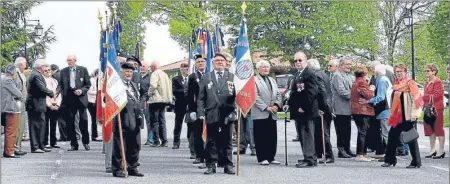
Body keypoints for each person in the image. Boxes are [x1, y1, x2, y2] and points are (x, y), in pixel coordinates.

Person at [197, 53, 236, 174]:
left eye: (222, 60)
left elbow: (237, 96)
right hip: (211, 113)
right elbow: (201, 97)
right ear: (213, 63)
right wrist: (200, 112)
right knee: (211, 140)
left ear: (225, 63)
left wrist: (234, 111)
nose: (219, 62)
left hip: (227, 113)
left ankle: (228, 164)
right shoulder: (207, 77)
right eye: (217, 60)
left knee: (227, 140)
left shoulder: (232, 77)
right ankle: (211, 165)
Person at [382, 63, 422, 168]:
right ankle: (389, 160)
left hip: (408, 115)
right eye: (396, 72)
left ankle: (416, 162)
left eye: (400, 72)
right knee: (392, 136)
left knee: (411, 139)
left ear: (405, 72)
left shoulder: (410, 83)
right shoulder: (396, 84)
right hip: (398, 116)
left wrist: (414, 114)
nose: (398, 74)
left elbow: (417, 99)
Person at [284, 51, 319, 168]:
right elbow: (294, 92)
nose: (298, 63)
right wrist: (289, 104)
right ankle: (308, 156)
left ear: (305, 60)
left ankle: (310, 159)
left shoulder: (309, 74)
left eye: (300, 60)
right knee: (303, 135)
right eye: (296, 61)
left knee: (307, 135)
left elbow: (312, 93)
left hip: (306, 111)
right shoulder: (298, 74)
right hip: (298, 110)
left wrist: (303, 107)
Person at [111, 63, 144, 177]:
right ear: (122, 72)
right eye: (127, 71)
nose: (129, 74)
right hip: (122, 117)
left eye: (131, 72)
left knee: (134, 144)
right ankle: (117, 169)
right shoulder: (117, 85)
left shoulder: (134, 85)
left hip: (134, 118)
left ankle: (132, 167)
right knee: (120, 145)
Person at [56, 55, 91, 151]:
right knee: (70, 122)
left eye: (70, 60)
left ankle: (86, 142)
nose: (69, 62)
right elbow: (60, 85)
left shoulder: (83, 70)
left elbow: (88, 84)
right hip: (69, 98)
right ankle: (74, 144)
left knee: (83, 121)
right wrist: (56, 92)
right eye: (67, 60)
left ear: (75, 60)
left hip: (80, 98)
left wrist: (81, 90)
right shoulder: (63, 71)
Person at [251, 60, 282, 165]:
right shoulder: (254, 80)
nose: (266, 69)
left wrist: (276, 105)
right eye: (263, 67)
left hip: (272, 113)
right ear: (258, 68)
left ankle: (271, 157)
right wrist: (266, 107)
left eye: (267, 67)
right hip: (260, 112)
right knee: (261, 136)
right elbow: (254, 96)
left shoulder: (272, 80)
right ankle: (262, 157)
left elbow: (278, 94)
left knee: (272, 136)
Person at [308, 59, 335, 164]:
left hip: (322, 108)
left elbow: (322, 92)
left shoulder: (317, 75)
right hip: (327, 106)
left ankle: (329, 155)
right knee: (322, 132)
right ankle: (321, 153)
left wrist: (322, 108)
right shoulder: (323, 74)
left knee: (324, 133)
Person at [26, 59, 54, 153]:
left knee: (41, 125)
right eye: (45, 66)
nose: (46, 68)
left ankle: (41, 145)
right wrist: (51, 93)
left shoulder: (36, 74)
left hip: (38, 104)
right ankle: (35, 146)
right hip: (34, 104)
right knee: (34, 126)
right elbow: (42, 88)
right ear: (41, 66)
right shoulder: (35, 75)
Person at [331, 57, 356, 158]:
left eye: (350, 64)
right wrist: (355, 96)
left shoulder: (348, 76)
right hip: (340, 108)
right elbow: (341, 91)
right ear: (341, 65)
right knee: (341, 131)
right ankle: (341, 150)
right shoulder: (337, 75)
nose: (349, 66)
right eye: (347, 64)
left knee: (347, 130)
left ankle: (347, 149)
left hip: (347, 108)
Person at [367, 64, 392, 160]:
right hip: (387, 109)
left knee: (386, 132)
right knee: (386, 132)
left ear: (376, 73)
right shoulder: (385, 79)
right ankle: (388, 153)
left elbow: (381, 97)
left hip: (384, 110)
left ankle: (388, 154)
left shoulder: (381, 81)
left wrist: (369, 101)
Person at [351, 66, 375, 162]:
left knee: (362, 132)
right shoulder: (361, 82)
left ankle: (363, 153)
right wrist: (372, 89)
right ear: (364, 74)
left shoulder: (355, 82)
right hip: (362, 110)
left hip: (357, 110)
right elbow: (369, 95)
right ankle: (360, 154)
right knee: (363, 132)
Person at [187, 54, 207, 166]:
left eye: (202, 61)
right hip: (196, 108)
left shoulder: (209, 75)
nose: (201, 63)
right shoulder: (193, 76)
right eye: (198, 62)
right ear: (195, 64)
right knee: (197, 133)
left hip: (208, 108)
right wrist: (192, 110)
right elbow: (190, 95)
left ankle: (209, 155)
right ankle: (199, 156)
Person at [422, 63, 446, 159]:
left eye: (428, 71)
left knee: (438, 128)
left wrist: (425, 96)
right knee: (429, 129)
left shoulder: (438, 82)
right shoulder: (427, 83)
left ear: (434, 72)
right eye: (426, 71)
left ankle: (441, 150)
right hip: (428, 108)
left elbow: (437, 95)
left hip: (437, 108)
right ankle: (432, 150)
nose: (426, 73)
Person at [148, 60, 172, 147]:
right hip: (164, 100)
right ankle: (164, 140)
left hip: (155, 100)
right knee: (162, 120)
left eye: (150, 67)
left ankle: (156, 141)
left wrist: (149, 93)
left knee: (154, 121)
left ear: (153, 67)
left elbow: (153, 85)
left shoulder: (154, 74)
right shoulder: (165, 74)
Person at [2, 64, 23, 158]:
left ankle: (8, 150)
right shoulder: (8, 80)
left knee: (9, 130)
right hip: (10, 108)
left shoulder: (3, 78)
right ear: (13, 72)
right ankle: (10, 151)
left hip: (5, 107)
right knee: (11, 131)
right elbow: (18, 93)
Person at [172, 62, 189, 150]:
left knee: (191, 124)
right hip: (180, 104)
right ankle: (176, 142)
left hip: (190, 104)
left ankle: (191, 142)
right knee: (178, 124)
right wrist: (185, 90)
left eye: (187, 69)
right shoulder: (176, 79)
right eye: (184, 69)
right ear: (181, 70)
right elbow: (174, 91)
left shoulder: (191, 78)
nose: (186, 71)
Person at [13, 57, 28, 156]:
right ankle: (15, 147)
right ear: (21, 64)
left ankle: (17, 146)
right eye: (25, 64)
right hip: (17, 102)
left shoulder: (20, 74)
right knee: (17, 126)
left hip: (21, 102)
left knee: (21, 126)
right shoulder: (15, 74)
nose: (26, 66)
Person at [43, 67, 61, 149]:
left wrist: (57, 104)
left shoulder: (55, 80)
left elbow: (59, 93)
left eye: (49, 70)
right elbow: (44, 95)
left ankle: (53, 142)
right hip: (47, 106)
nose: (47, 72)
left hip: (56, 105)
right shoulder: (42, 81)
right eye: (45, 70)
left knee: (54, 125)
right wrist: (50, 105)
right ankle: (45, 142)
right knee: (45, 125)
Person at [140, 60, 153, 146]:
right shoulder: (136, 75)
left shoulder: (151, 76)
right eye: (141, 66)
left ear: (148, 68)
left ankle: (150, 139)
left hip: (147, 101)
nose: (142, 67)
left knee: (149, 121)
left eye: (144, 66)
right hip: (137, 100)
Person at [87, 69, 101, 142]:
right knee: (94, 119)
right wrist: (99, 92)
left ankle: (96, 135)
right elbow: (89, 91)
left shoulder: (99, 81)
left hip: (97, 101)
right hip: (92, 101)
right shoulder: (92, 80)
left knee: (96, 119)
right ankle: (94, 135)